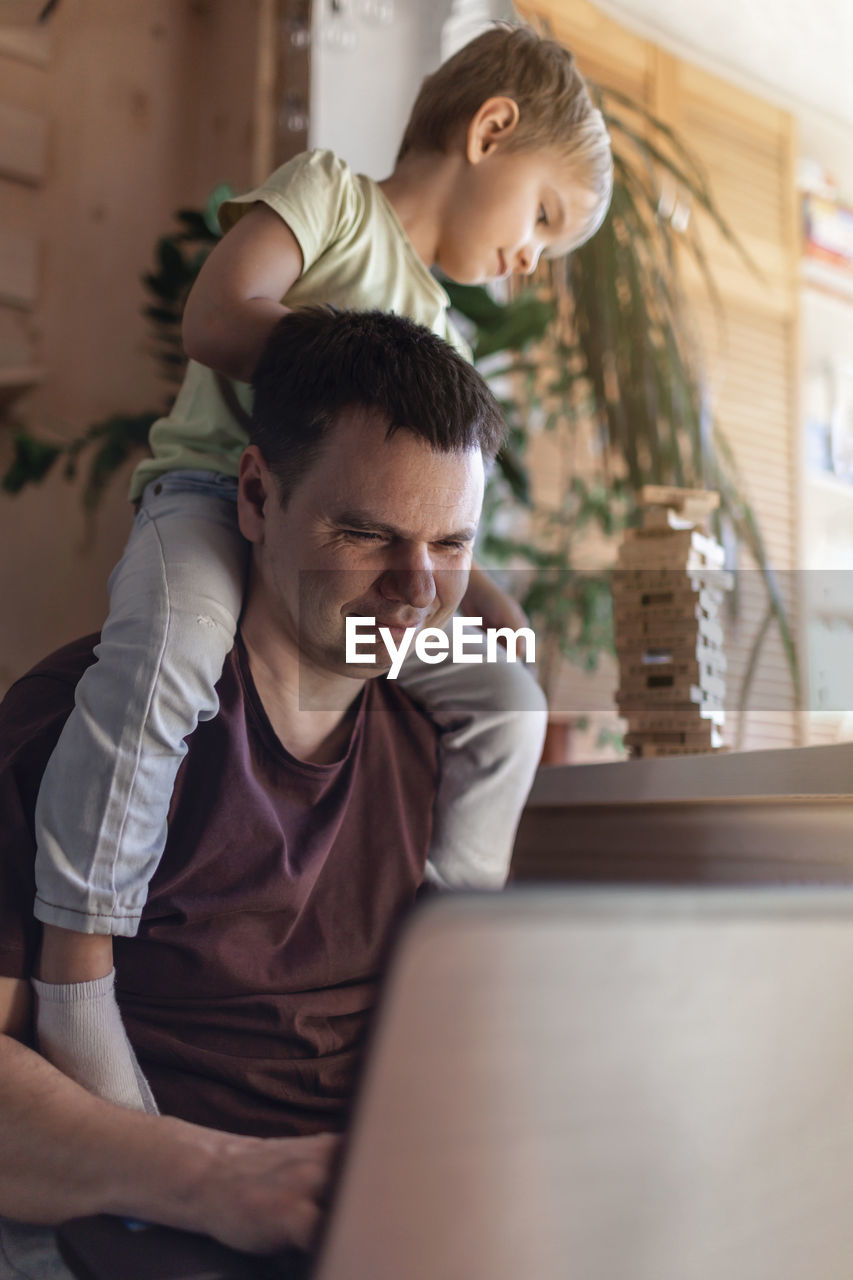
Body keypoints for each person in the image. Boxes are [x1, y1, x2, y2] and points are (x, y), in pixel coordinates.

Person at [31, 24, 613, 1112]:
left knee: (507, 703)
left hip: (337, 577)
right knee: (167, 655)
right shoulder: (335, 198)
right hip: (208, 500)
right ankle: (76, 973)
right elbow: (217, 317)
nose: (534, 257)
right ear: (491, 131)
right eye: (544, 216)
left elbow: (428, 521)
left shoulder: (437, 324)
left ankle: (438, 957)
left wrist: (487, 608)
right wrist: (358, 377)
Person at [0, 308, 508, 1275]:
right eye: (364, 532)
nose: (416, 590)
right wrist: (216, 1178)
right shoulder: (81, 724)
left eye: (450, 545)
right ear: (255, 496)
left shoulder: (444, 742)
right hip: (145, 1220)